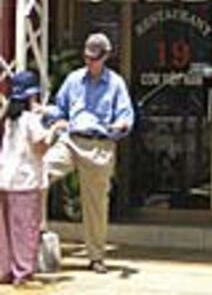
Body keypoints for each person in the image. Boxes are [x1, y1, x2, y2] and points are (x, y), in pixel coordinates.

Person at [43, 33, 134, 274]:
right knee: (39, 174)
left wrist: (121, 126)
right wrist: (49, 115)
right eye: (87, 57)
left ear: (105, 57)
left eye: (94, 58)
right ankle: (37, 232)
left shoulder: (115, 83)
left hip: (99, 145)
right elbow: (60, 107)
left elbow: (126, 116)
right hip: (71, 140)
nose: (89, 62)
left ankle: (96, 256)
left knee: (96, 205)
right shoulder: (74, 79)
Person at [0, 71, 60, 286]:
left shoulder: (9, 119)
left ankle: (5, 270)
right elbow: (40, 148)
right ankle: (23, 273)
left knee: (5, 230)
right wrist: (54, 129)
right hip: (25, 181)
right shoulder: (31, 120)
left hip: (5, 178)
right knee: (25, 228)